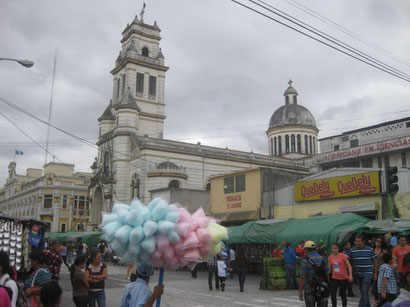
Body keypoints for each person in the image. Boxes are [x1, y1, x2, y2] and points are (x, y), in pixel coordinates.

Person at [347, 234, 378, 307]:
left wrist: (375, 273)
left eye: (359, 241)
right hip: (358, 274)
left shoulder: (369, 249)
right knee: (363, 292)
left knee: (364, 290)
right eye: (356, 241)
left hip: (368, 273)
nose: (357, 243)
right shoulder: (352, 250)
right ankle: (367, 305)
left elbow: (375, 261)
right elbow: (346, 258)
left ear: (363, 242)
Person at [299, 240, 329, 307]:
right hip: (322, 289)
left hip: (309, 290)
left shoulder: (305, 261)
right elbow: (327, 274)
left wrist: (300, 291)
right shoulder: (324, 259)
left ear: (306, 250)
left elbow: (302, 277)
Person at [328, 243, 353, 307]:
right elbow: (329, 268)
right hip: (334, 277)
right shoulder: (330, 257)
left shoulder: (343, 256)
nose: (334, 250)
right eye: (333, 248)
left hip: (343, 278)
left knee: (343, 294)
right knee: (333, 293)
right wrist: (327, 276)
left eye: (335, 248)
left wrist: (350, 276)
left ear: (338, 249)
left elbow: (349, 266)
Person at [373, 237, 385, 304]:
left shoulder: (383, 250)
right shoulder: (372, 250)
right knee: (375, 285)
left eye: (380, 241)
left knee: (380, 284)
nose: (378, 243)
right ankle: (376, 299)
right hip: (374, 269)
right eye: (377, 241)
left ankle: (381, 299)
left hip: (381, 269)